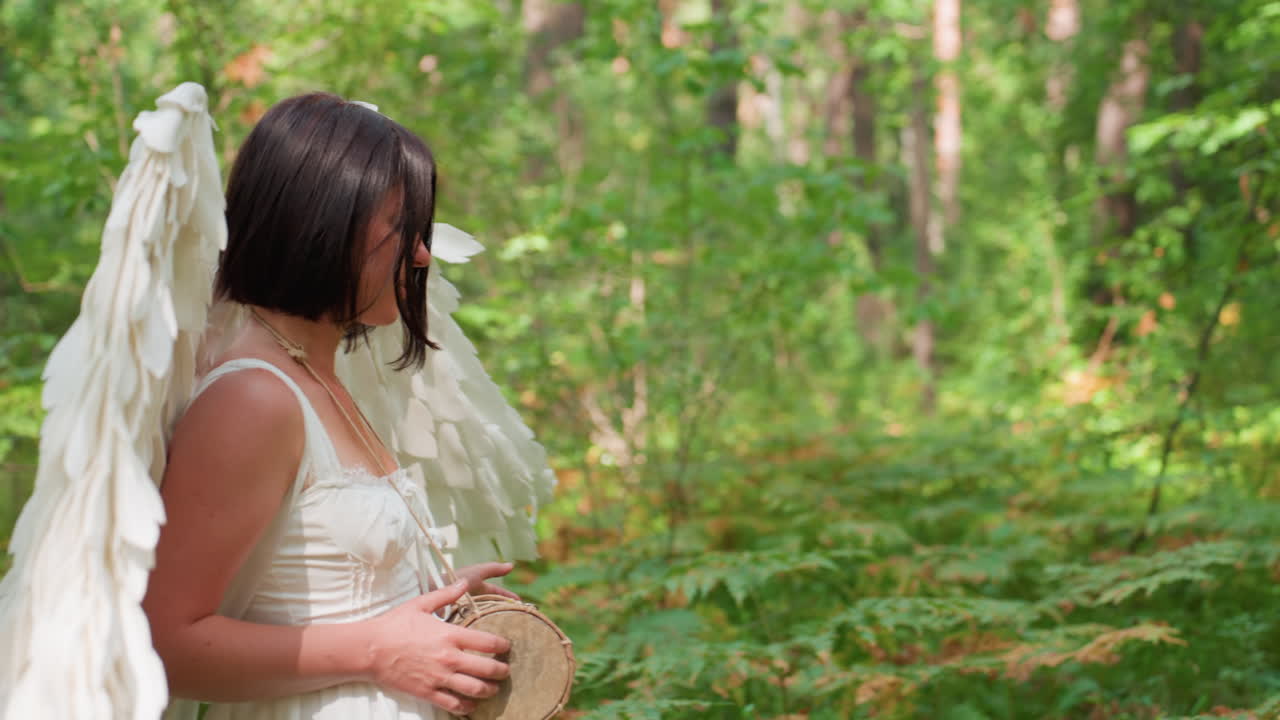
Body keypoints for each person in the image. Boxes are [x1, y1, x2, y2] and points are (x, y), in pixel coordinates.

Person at [143, 93, 514, 720]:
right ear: (322, 222)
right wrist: (377, 650)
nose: (422, 255)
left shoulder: (322, 373)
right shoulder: (252, 399)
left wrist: (435, 606)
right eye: (403, 229)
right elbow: (164, 643)